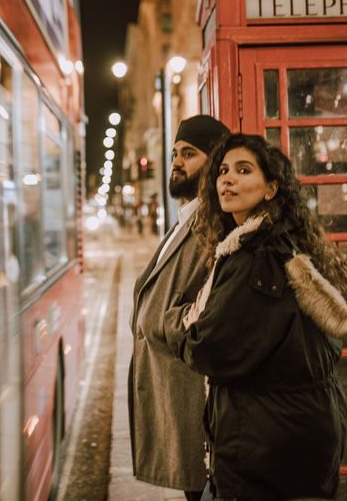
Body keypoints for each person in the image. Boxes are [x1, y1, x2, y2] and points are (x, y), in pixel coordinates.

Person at [163, 133, 347, 500]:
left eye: (244, 171)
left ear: (272, 188)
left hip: (269, 441)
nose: (227, 179)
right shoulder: (279, 240)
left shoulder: (256, 259)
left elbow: (210, 348)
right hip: (295, 428)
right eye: (223, 171)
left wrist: (175, 321)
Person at [128, 114, 228, 500]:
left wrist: (161, 320)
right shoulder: (186, 219)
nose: (176, 163)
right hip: (176, 405)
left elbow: (209, 312)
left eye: (189, 153)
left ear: (214, 160)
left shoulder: (216, 224)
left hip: (198, 411)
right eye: (174, 154)